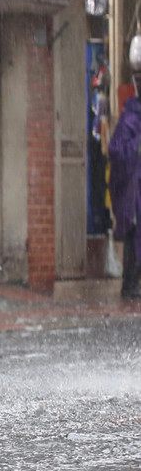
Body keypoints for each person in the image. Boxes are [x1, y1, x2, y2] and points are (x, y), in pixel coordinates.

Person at [108, 34, 141, 299]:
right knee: (134, 242)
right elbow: (117, 152)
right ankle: (130, 286)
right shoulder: (130, 119)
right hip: (136, 194)